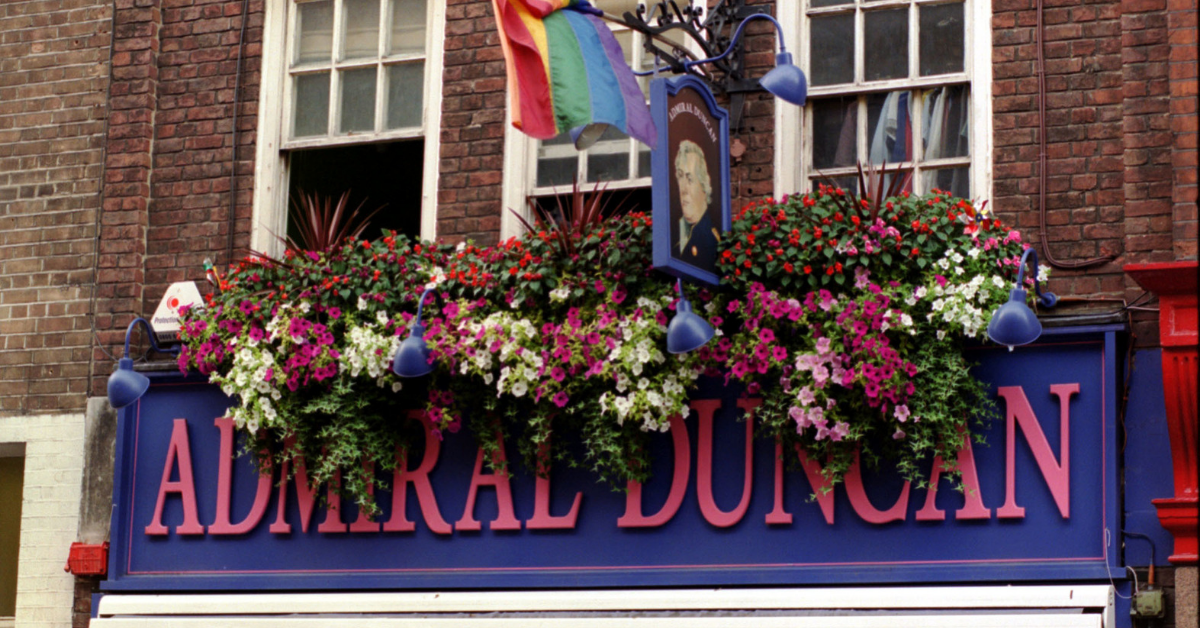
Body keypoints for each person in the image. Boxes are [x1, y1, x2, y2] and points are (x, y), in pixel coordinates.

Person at [673, 139, 719, 271]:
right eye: (680, 177)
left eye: (690, 179)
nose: (684, 189)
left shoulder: (709, 239)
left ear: (704, 186)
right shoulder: (677, 236)